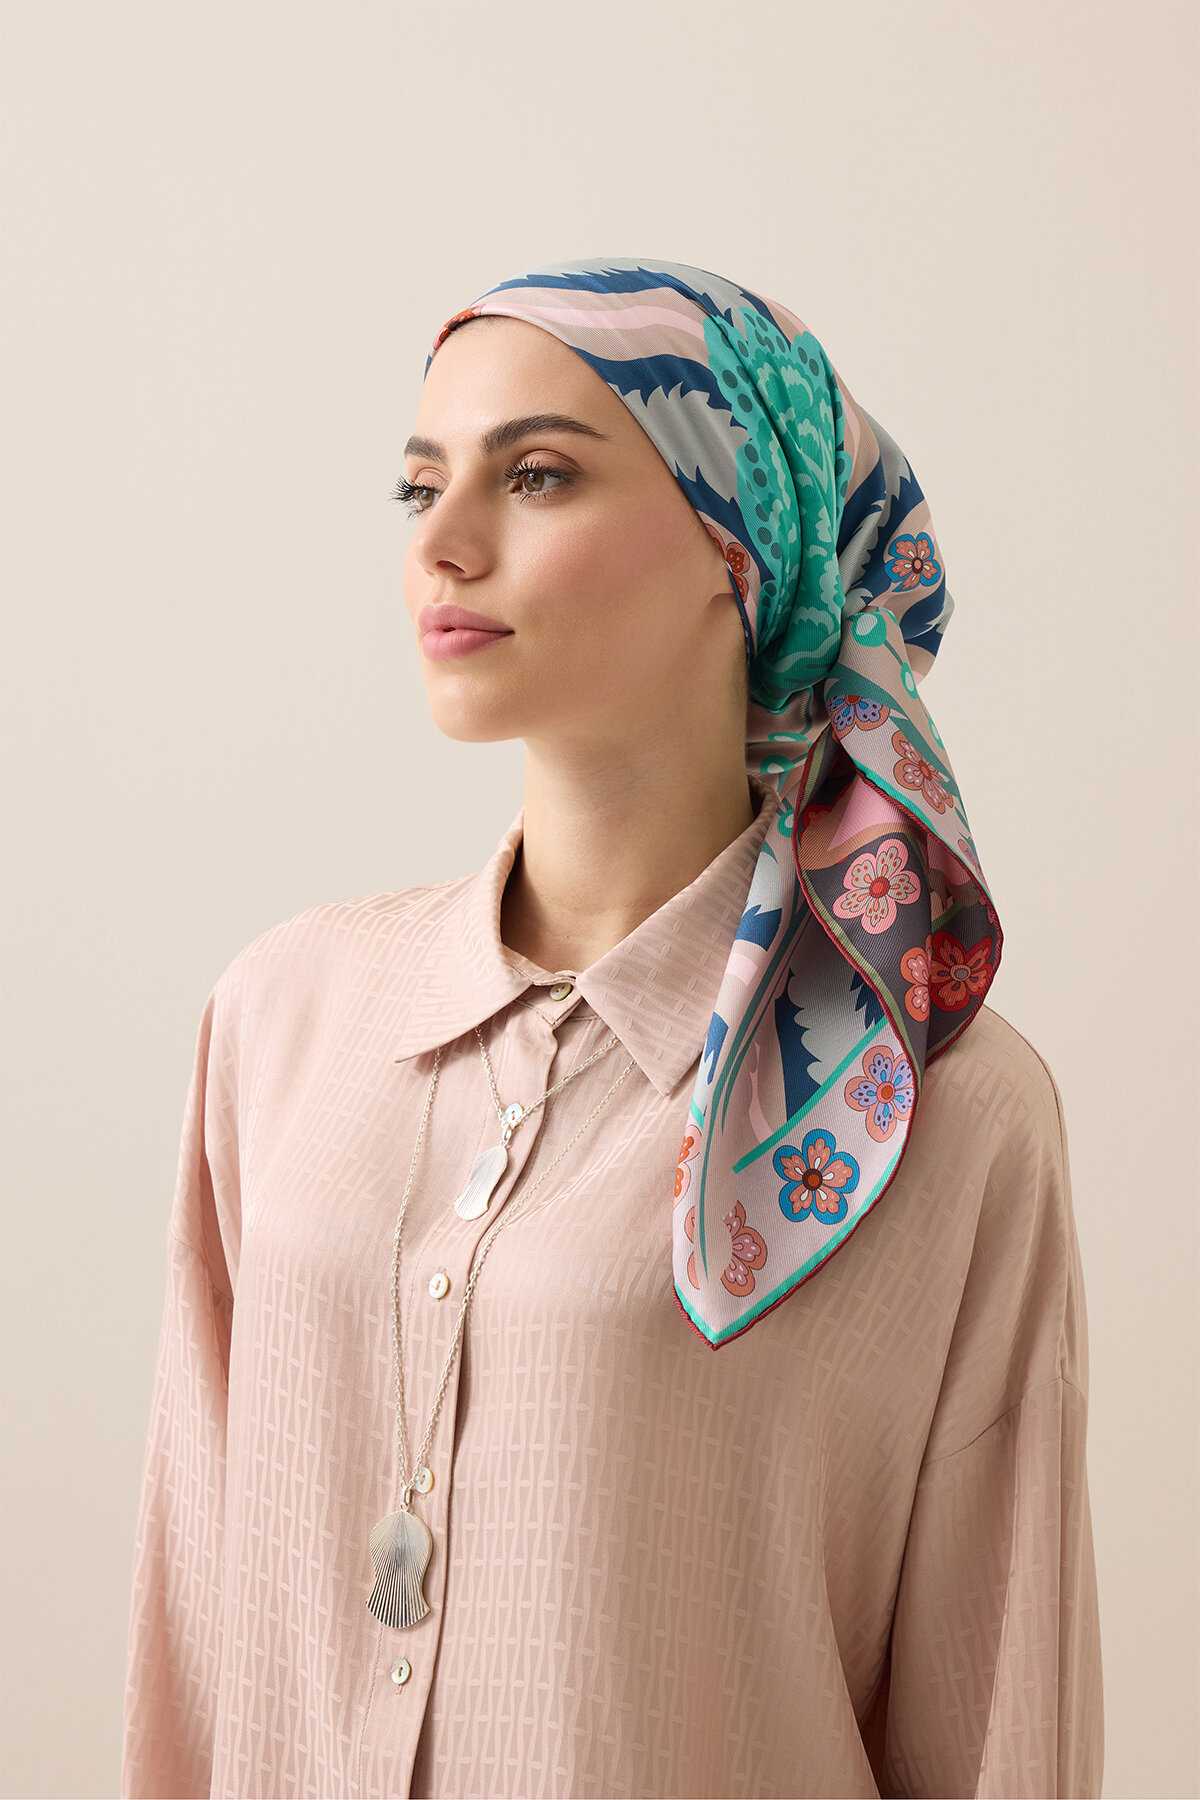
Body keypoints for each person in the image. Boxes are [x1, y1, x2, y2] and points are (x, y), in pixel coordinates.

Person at [121, 257, 1103, 1799]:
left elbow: (999, 1728)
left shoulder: (934, 1103)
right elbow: (193, 1622)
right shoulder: (283, 1015)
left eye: (537, 476)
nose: (442, 544)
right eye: (421, 484)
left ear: (741, 541)